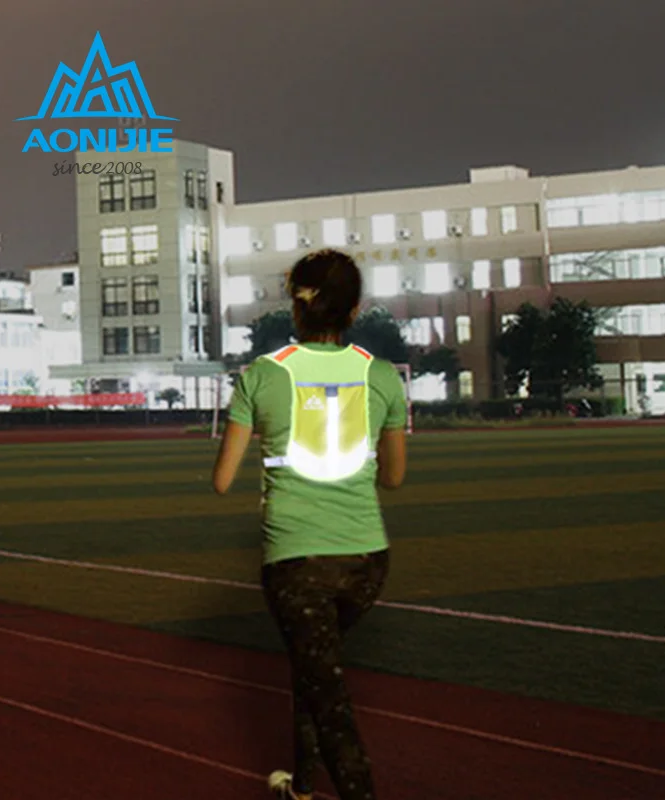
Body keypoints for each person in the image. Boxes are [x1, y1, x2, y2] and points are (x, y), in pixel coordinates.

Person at [212, 249, 408, 800]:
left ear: (296, 307)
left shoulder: (262, 375)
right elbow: (393, 478)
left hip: (296, 563)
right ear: (355, 309)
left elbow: (222, 480)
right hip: (367, 562)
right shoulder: (381, 375)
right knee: (313, 668)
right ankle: (300, 787)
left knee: (327, 696)